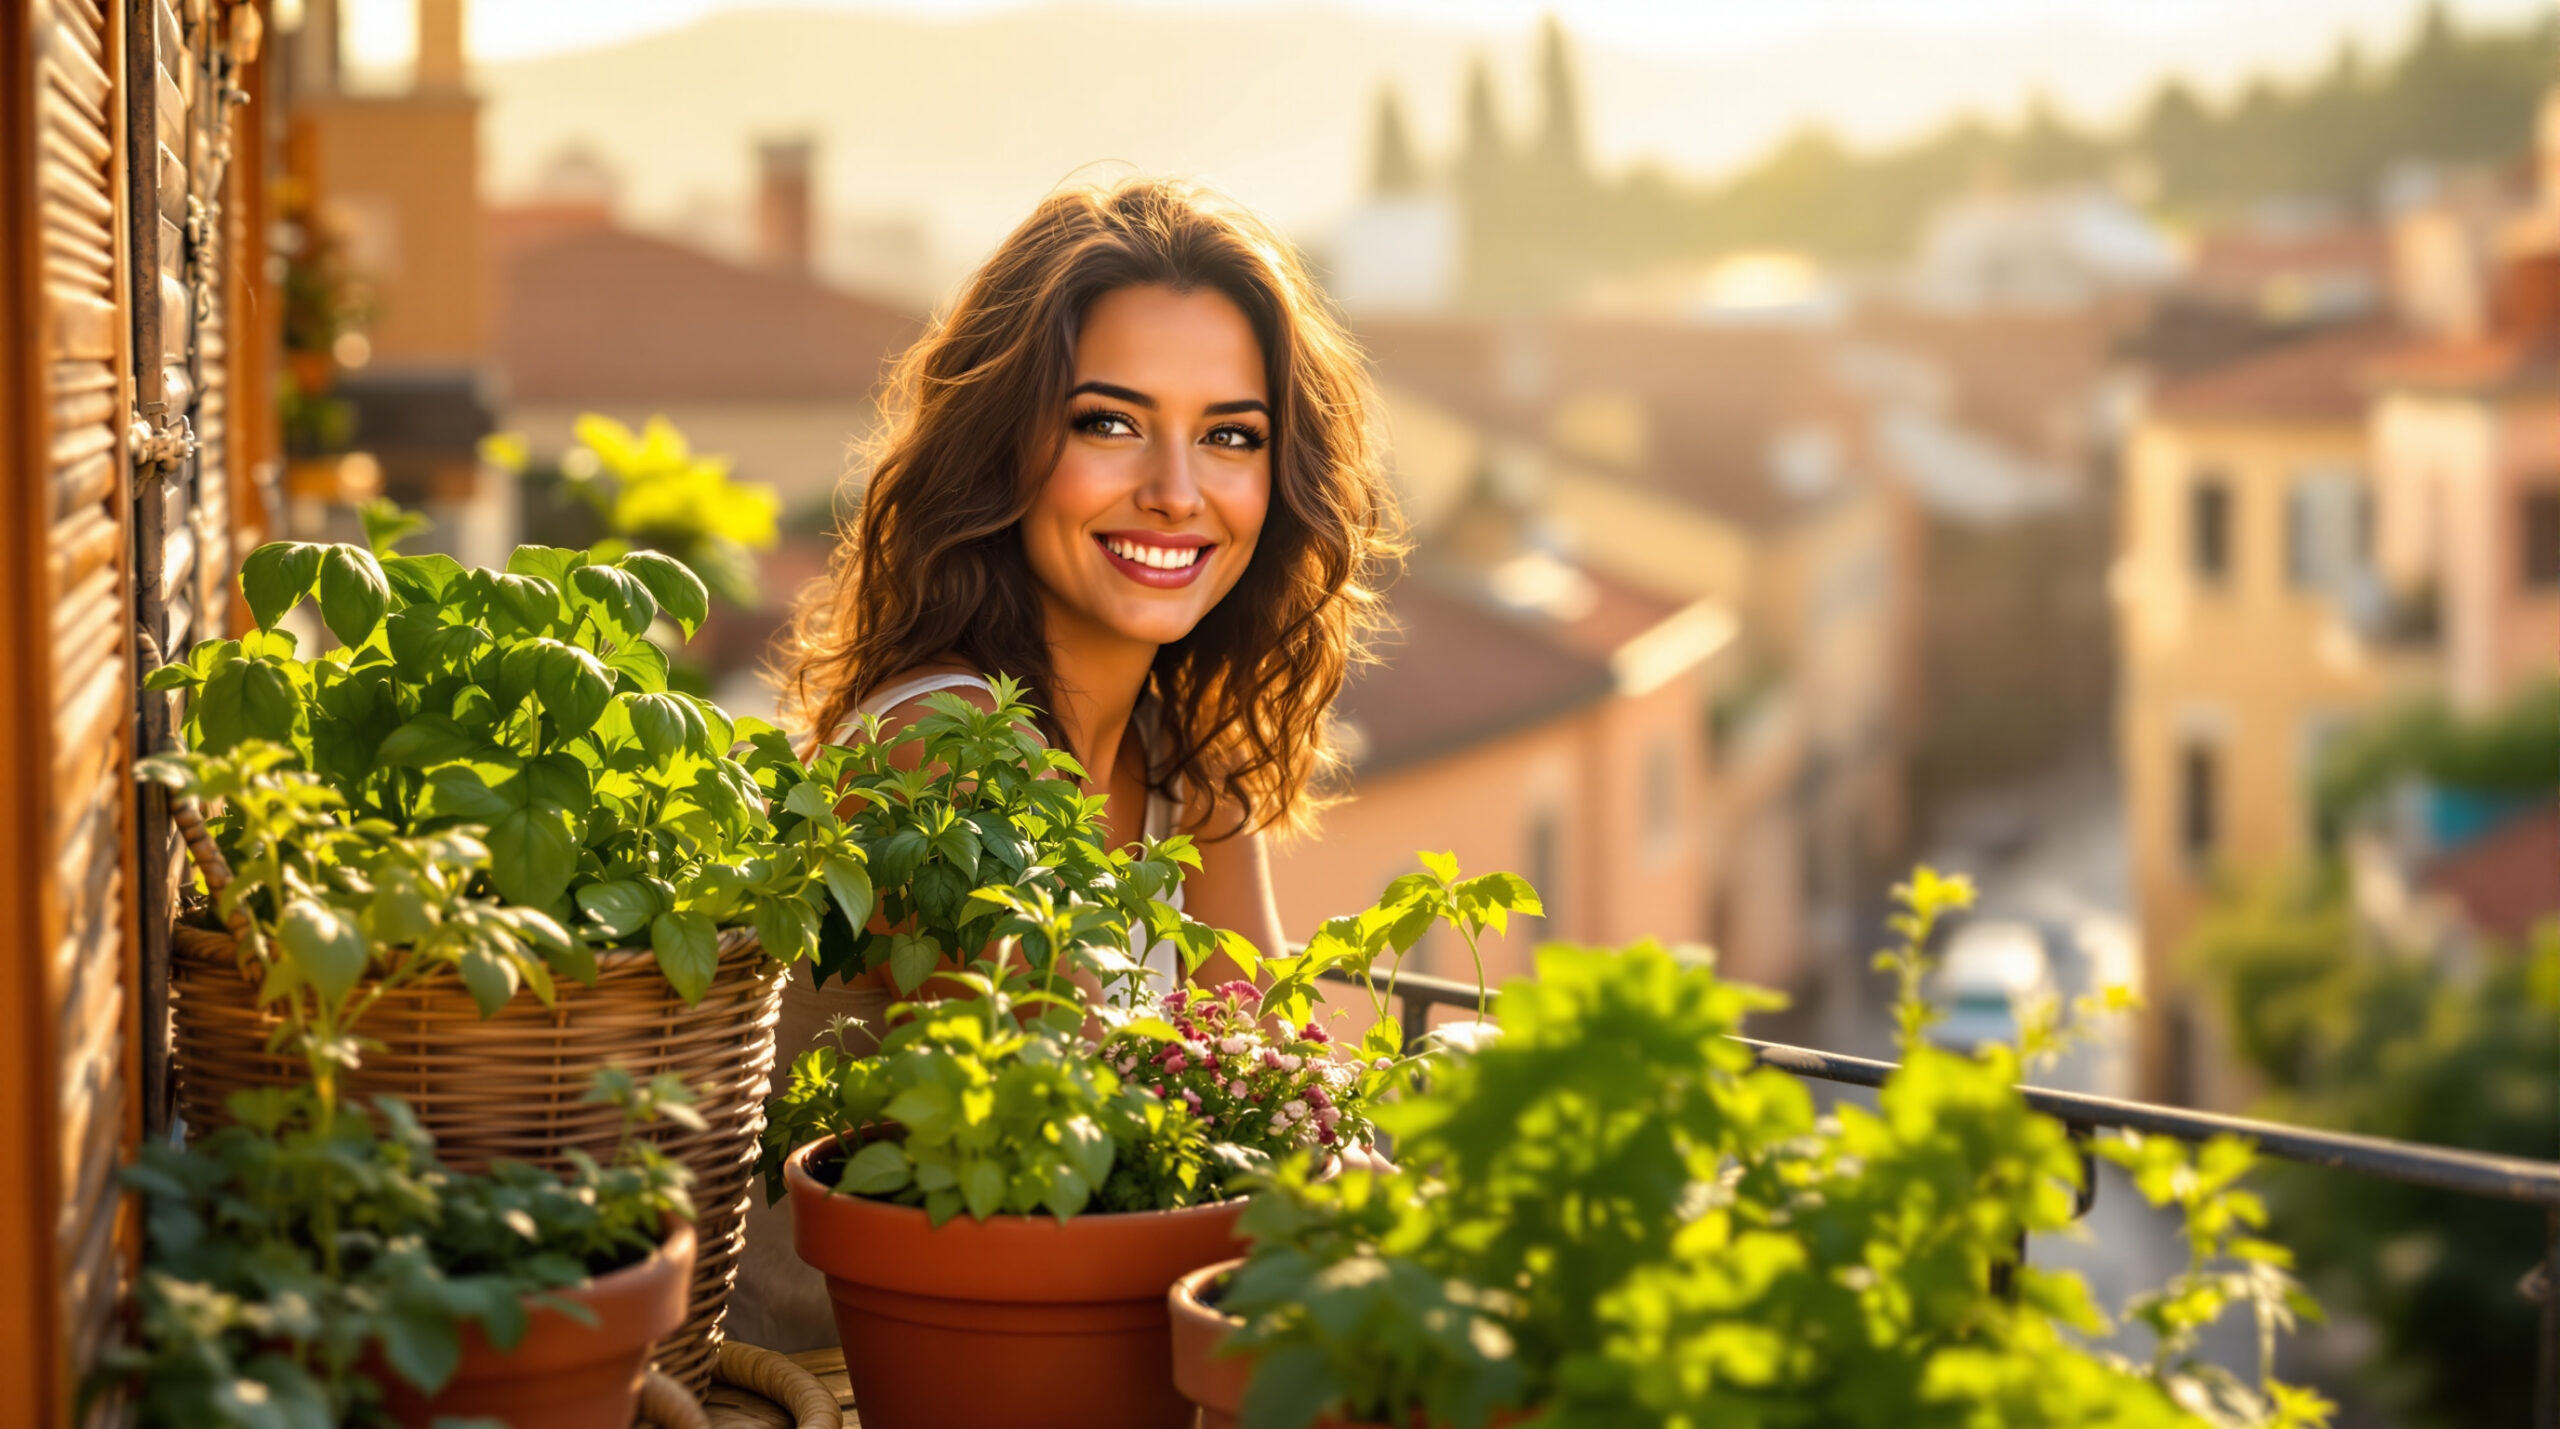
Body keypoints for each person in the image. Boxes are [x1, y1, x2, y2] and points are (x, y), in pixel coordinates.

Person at [726, 179, 1404, 1350]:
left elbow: (1279, 1079)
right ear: (1007, 448)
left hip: (1107, 1341)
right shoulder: (936, 749)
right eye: (1110, 421)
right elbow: (1058, 1165)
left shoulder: (1189, 755)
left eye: (1230, 436)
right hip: (867, 1385)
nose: (1177, 491)